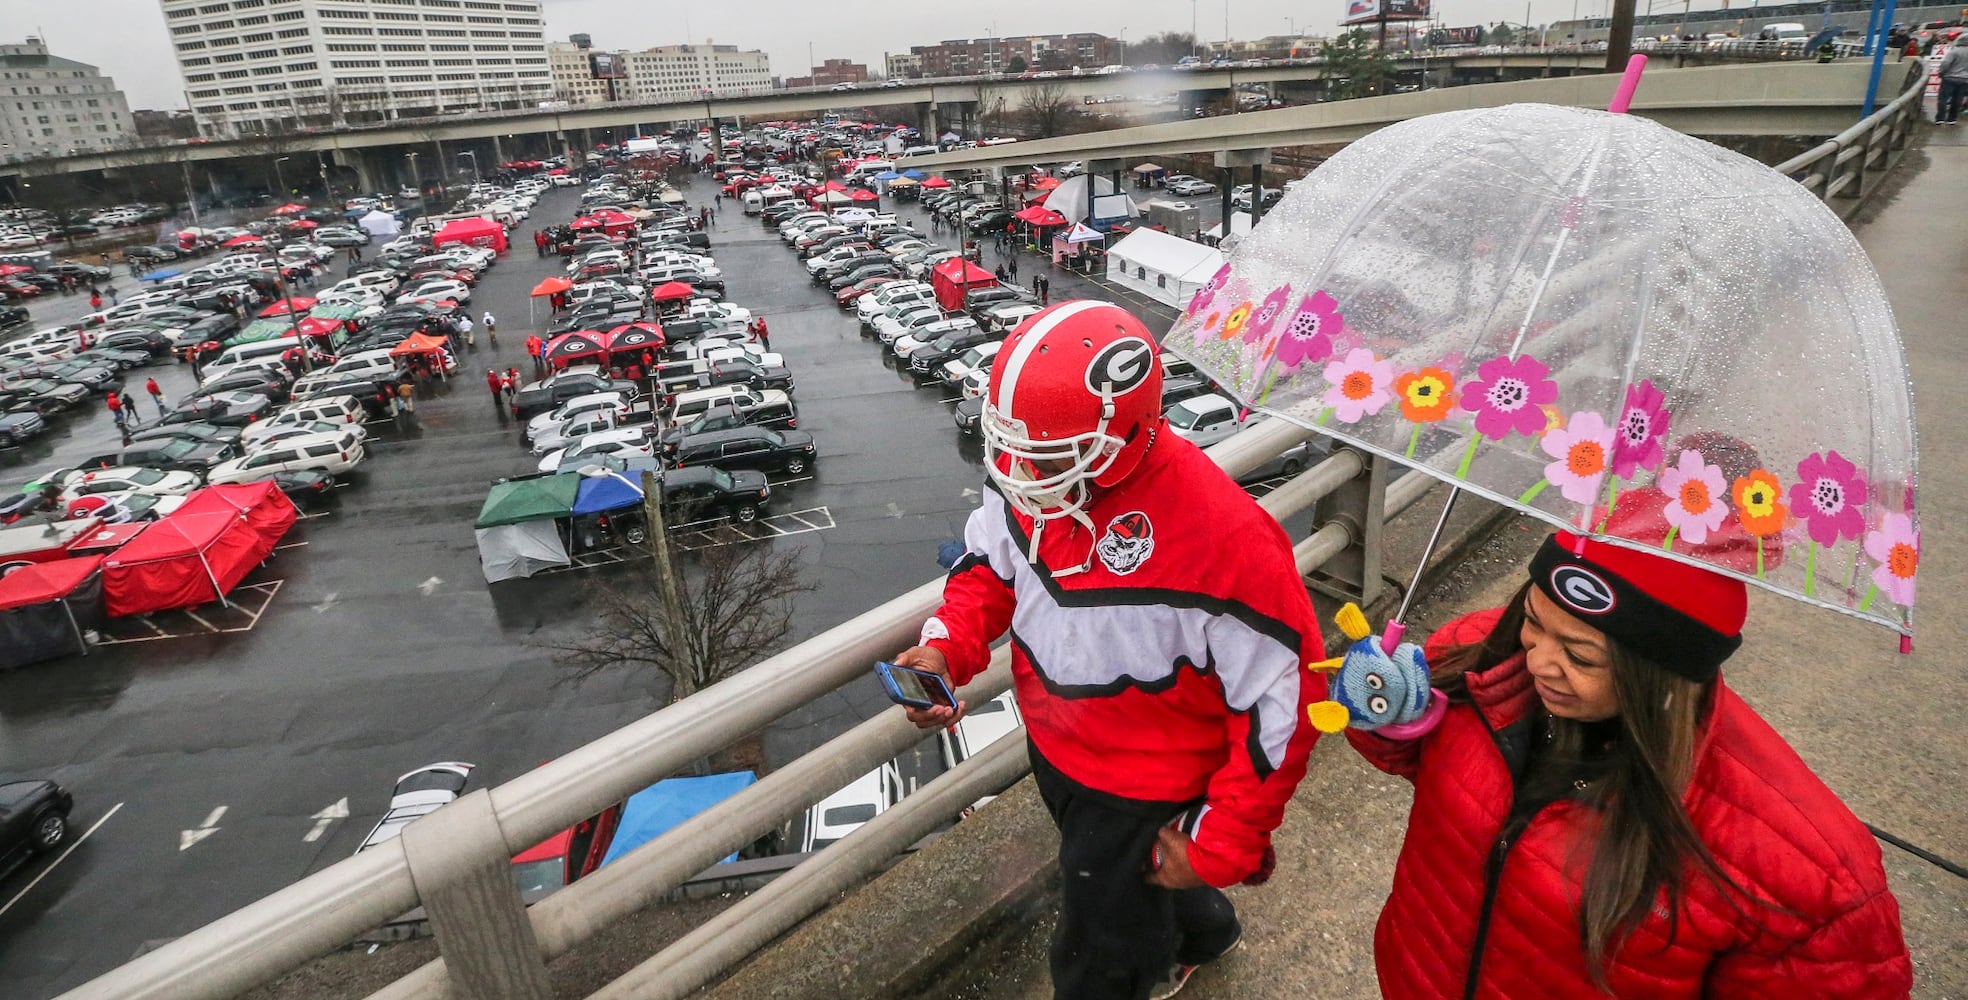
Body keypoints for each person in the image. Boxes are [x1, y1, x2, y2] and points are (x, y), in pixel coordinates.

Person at [892, 301, 1326, 999]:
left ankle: (1146, 954)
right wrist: (948, 645)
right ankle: (1202, 931)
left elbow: (1285, 700)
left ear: (1121, 436)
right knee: (1133, 879)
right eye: (1011, 448)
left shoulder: (1225, 541)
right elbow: (991, 567)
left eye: (1043, 456)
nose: (1018, 474)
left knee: (1098, 956)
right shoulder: (1036, 471)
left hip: (1145, 782)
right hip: (1059, 746)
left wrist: (1223, 840)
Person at [1345, 529, 1914, 997]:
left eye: (1578, 654)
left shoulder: (1813, 876)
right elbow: (1433, 768)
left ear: (1657, 671)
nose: (1538, 660)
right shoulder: (1483, 652)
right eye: (1534, 621)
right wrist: (1389, 719)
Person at [1938, 38, 1968, 124]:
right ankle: (1952, 119)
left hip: (1950, 77)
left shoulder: (1954, 51)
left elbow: (1946, 63)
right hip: (1964, 79)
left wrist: (1941, 73)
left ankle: (1940, 118)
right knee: (1958, 99)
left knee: (1943, 98)